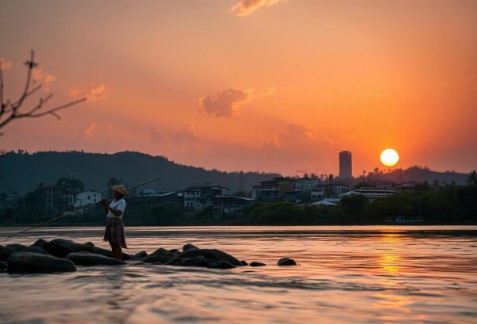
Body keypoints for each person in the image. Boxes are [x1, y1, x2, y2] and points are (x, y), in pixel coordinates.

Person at [101, 185, 128, 260]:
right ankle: (114, 259)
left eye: (115, 192)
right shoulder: (113, 201)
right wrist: (104, 205)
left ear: (119, 193)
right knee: (112, 243)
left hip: (116, 222)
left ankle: (119, 260)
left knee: (116, 243)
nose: (114, 193)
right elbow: (108, 213)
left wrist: (109, 207)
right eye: (114, 192)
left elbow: (119, 213)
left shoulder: (122, 201)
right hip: (110, 222)